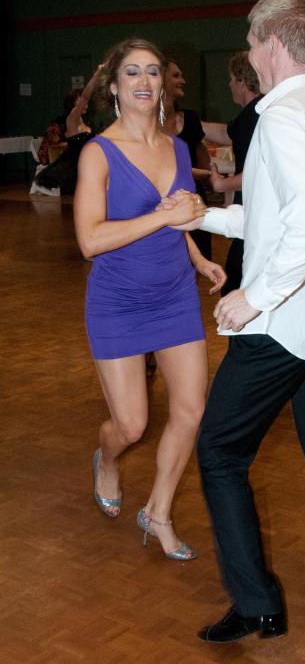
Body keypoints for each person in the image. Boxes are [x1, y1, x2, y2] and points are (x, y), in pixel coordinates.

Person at [171, 0, 305, 642]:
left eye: (252, 41)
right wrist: (207, 215)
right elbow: (285, 217)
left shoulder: (281, 120)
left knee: (219, 452)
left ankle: (257, 605)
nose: (249, 52)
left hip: (283, 328)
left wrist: (259, 295)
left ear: (273, 43)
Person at [74, 38, 226, 561]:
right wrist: (166, 216)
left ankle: (158, 512)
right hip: (118, 301)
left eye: (154, 72)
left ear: (164, 84)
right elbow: (90, 240)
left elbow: (176, 221)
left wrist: (198, 258)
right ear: (114, 86)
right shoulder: (98, 153)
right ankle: (107, 458)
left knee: (190, 410)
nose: (144, 81)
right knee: (131, 425)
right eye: (133, 72)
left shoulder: (177, 148)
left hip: (175, 294)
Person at [202, 51, 262, 294]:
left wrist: (221, 185)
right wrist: (186, 122)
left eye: (230, 79)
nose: (229, 85)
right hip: (254, 213)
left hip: (255, 212)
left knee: (236, 284)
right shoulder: (253, 113)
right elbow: (227, 133)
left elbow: (259, 173)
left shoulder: (255, 113)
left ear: (241, 80)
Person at [162, 58, 213, 259]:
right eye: (176, 76)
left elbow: (202, 156)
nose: (182, 81)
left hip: (194, 201)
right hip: (161, 204)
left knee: (200, 259)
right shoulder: (145, 124)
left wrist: (209, 176)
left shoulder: (190, 119)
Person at [32, 67, 103, 196]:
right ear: (73, 103)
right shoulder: (72, 119)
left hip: (87, 164)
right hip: (74, 168)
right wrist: (96, 76)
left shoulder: (85, 122)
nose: (85, 105)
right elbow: (86, 97)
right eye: (79, 101)